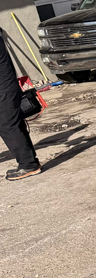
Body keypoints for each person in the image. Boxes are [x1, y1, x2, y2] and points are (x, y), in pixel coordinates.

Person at [0, 28, 41, 181]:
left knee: (8, 126)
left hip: (4, 89)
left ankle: (29, 165)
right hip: (6, 88)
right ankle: (28, 162)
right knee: (13, 124)